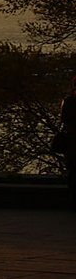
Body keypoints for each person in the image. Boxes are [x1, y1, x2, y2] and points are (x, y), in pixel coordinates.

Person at [59, 74, 76, 211]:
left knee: (72, 172)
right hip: (72, 142)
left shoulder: (68, 101)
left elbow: (63, 120)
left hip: (71, 143)